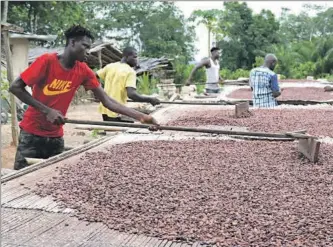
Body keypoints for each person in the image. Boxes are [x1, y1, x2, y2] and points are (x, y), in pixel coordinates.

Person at [9, 25, 158, 170]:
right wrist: (47, 110)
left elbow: (107, 101)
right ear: (72, 42)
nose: (88, 52)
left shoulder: (83, 71)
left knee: (53, 180)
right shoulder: (46, 61)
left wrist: (142, 117)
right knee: (19, 180)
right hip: (31, 133)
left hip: (56, 136)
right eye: (85, 46)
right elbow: (15, 87)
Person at [96, 47, 160, 122]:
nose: (137, 60)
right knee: (122, 131)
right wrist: (150, 99)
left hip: (105, 106)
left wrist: (98, 91)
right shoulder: (130, 72)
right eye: (135, 57)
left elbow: (94, 76)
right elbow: (132, 94)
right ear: (126, 57)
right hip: (117, 109)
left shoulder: (110, 66)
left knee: (110, 130)